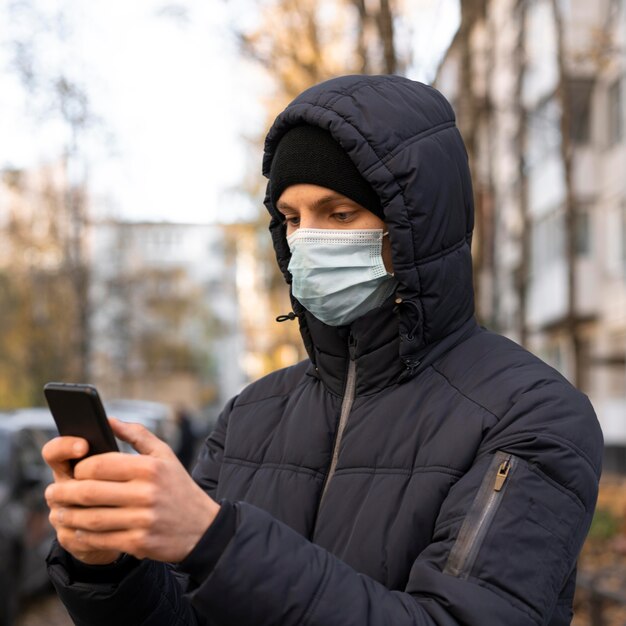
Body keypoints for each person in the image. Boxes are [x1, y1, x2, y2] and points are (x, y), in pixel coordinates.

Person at [43, 74, 603, 625]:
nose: (305, 241)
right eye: (291, 218)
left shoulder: (532, 414)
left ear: (415, 228)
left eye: (339, 214)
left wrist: (217, 543)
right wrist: (108, 569)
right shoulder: (249, 414)